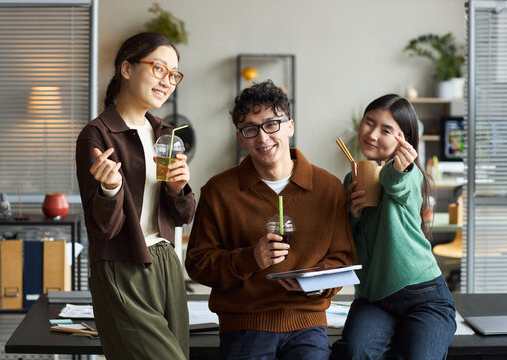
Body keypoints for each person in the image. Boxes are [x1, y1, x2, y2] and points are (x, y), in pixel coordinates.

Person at [185, 80, 356, 360]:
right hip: (244, 325)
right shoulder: (218, 191)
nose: (262, 138)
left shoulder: (328, 187)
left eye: (271, 124)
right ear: (240, 138)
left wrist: (313, 281)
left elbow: (343, 259)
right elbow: (198, 264)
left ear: (289, 126)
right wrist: (251, 258)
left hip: (307, 323)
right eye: (250, 129)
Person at [75, 32, 195, 360]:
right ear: (126, 69)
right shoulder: (96, 135)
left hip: (167, 264)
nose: (167, 81)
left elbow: (183, 215)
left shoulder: (166, 133)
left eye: (173, 75)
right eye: (158, 68)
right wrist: (109, 189)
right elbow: (103, 229)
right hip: (121, 266)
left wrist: (178, 188)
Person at [330, 94, 456, 359]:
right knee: (355, 353)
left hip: (424, 295)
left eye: (386, 130)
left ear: (404, 140)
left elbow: (396, 185)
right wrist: (353, 216)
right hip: (374, 298)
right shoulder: (349, 179)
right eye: (369, 122)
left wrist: (400, 169)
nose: (372, 134)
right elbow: (346, 244)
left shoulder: (410, 174)